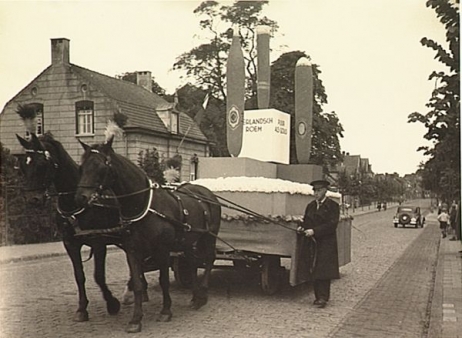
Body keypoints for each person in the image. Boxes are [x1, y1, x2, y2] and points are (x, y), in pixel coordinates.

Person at [297, 179, 340, 308]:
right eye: (314, 190)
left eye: (319, 190)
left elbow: (332, 225)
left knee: (324, 270)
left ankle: (323, 297)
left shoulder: (333, 206)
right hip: (312, 242)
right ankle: (317, 296)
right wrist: (302, 228)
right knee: (314, 268)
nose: (316, 193)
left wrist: (314, 231)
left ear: (325, 191)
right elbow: (306, 221)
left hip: (326, 243)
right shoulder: (310, 206)